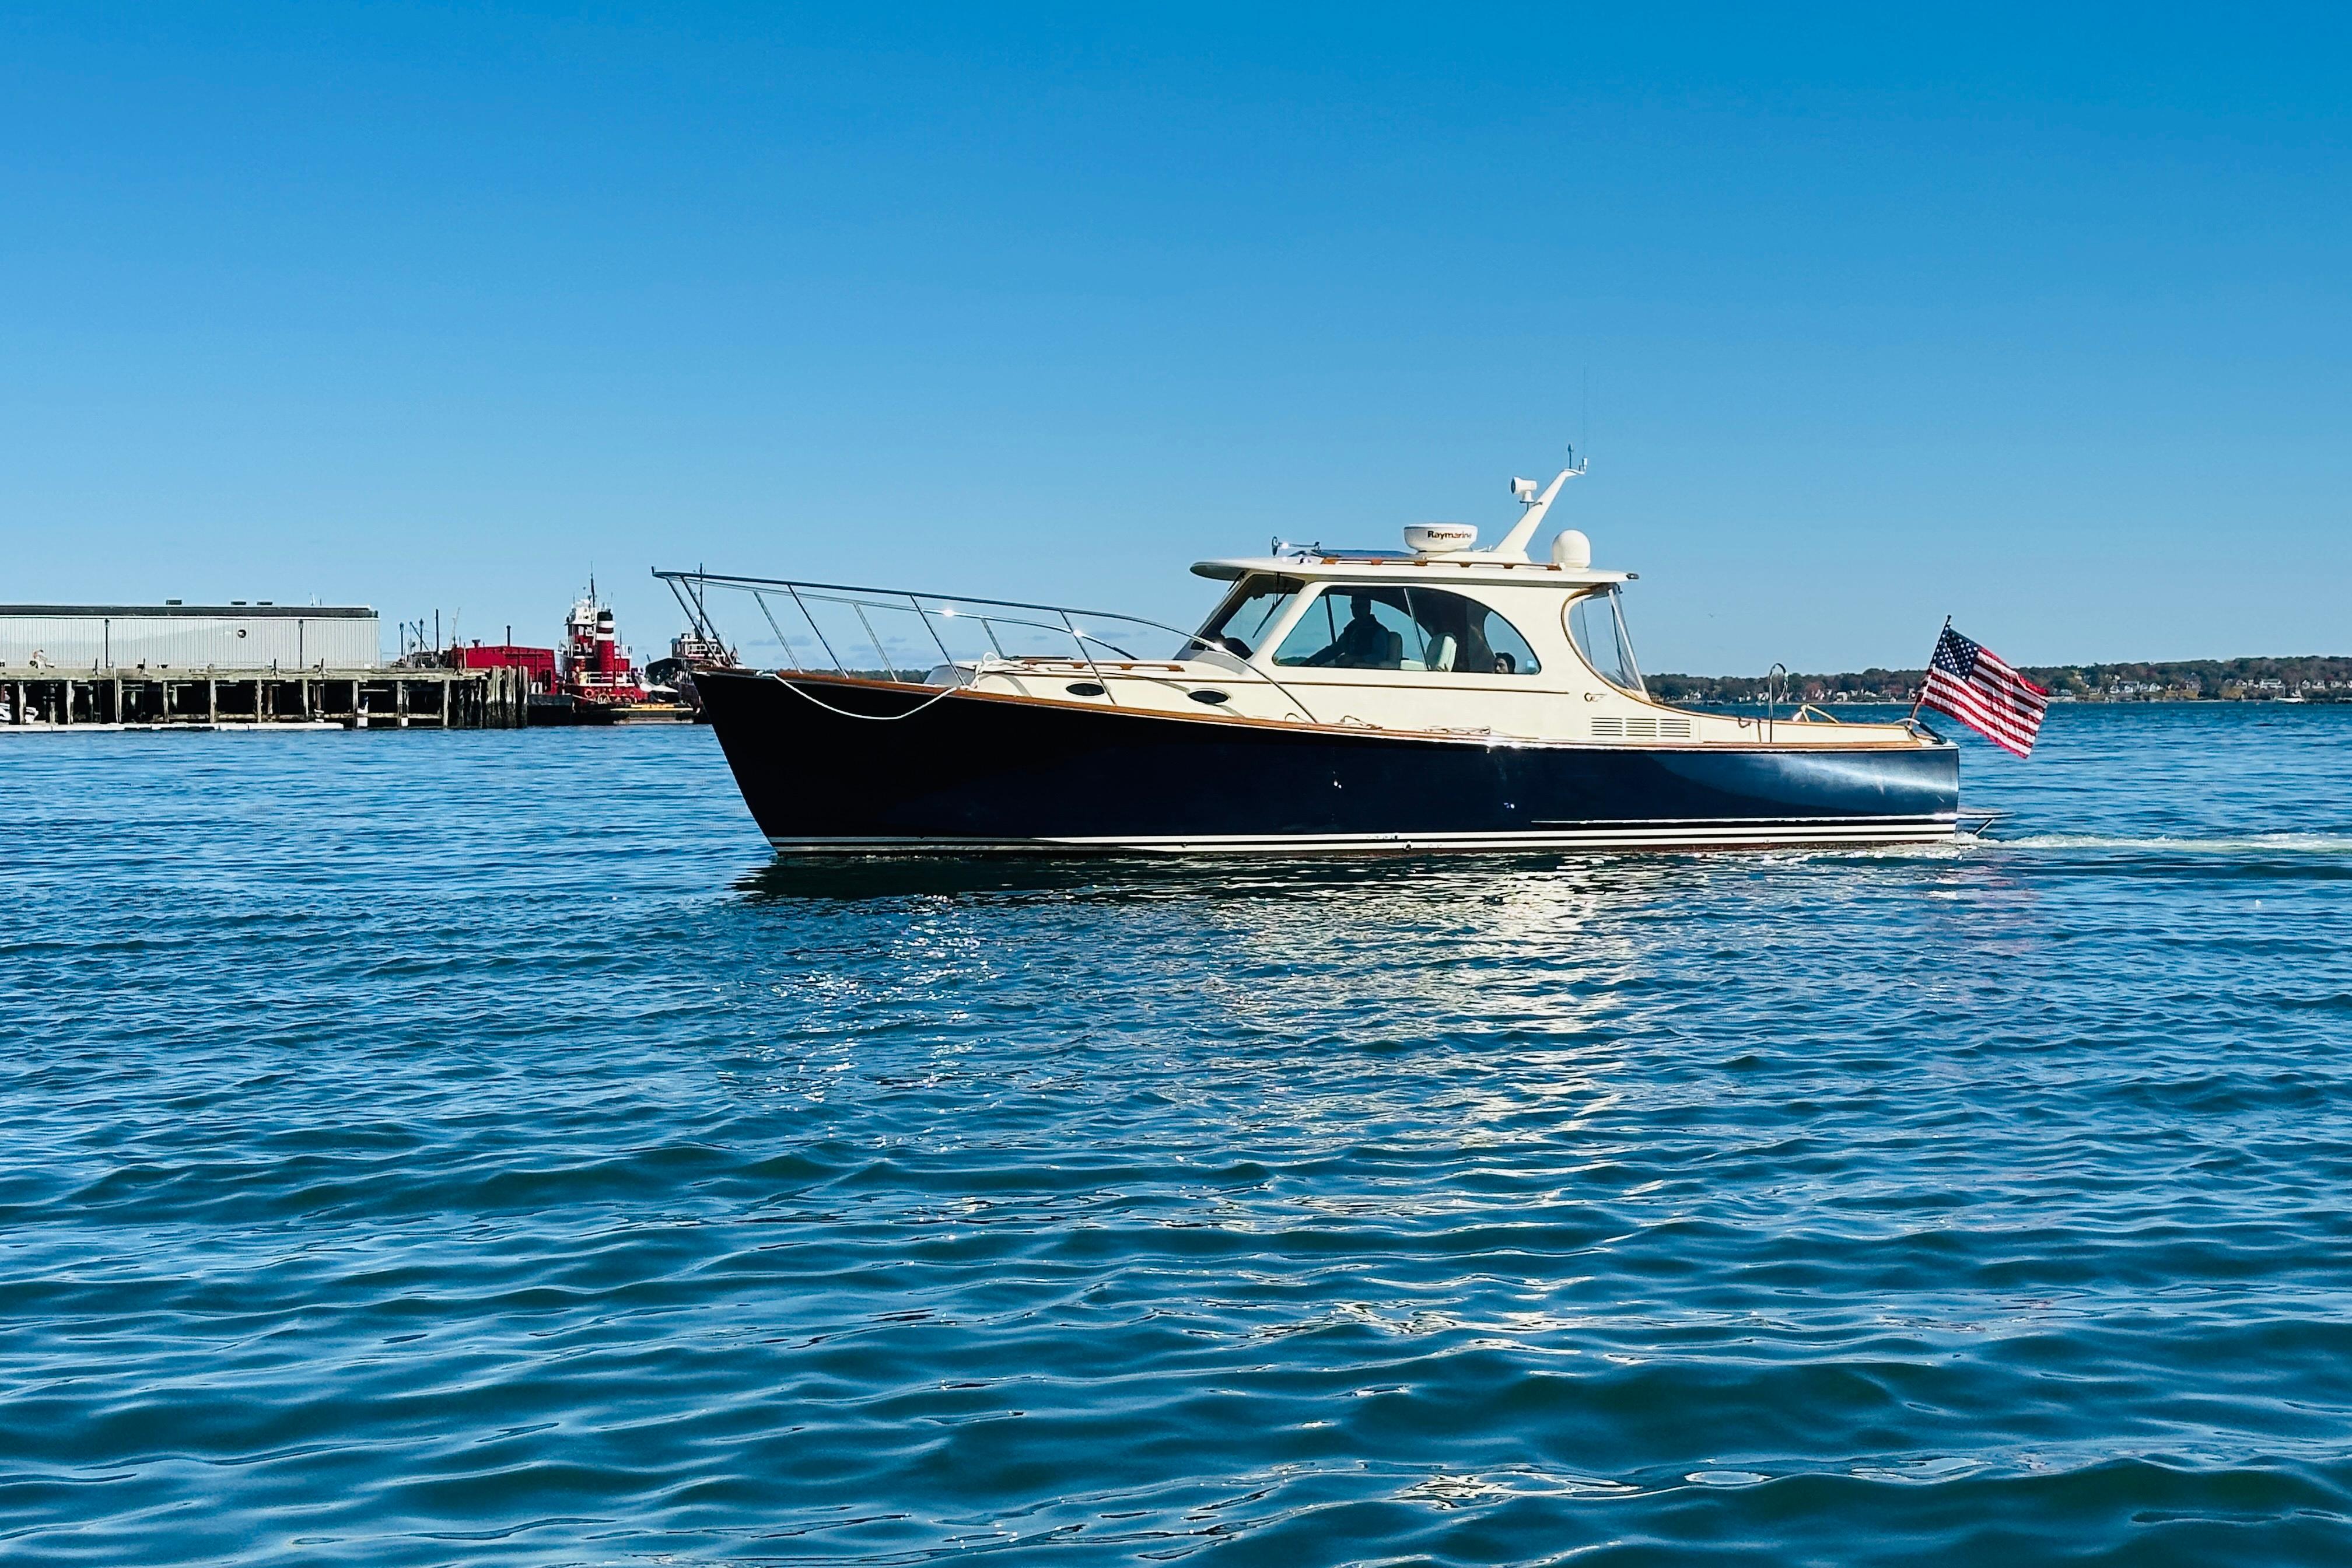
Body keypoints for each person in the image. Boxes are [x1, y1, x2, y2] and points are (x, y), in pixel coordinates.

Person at [1306, 594, 1404, 669]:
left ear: (1369, 608)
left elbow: (1379, 656)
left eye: (1361, 606)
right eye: (1354, 606)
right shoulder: (1351, 630)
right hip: (1347, 670)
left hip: (1366, 674)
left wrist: (1356, 659)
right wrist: (1310, 662)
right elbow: (1334, 650)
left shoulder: (1378, 631)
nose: (1357, 610)